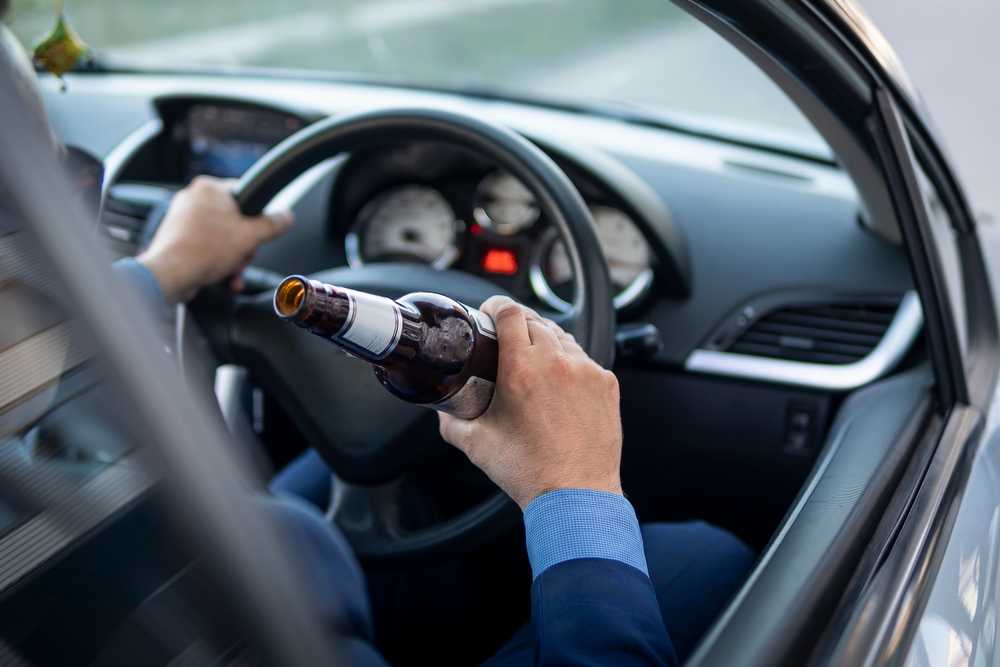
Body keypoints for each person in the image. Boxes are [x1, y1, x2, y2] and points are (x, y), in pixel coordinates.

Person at [0, 14, 754, 663]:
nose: (77, 198)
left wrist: (164, 268)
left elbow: (21, 344)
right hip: (257, 625)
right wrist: (574, 488)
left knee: (407, 499)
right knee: (702, 555)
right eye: (55, 176)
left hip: (222, 585)